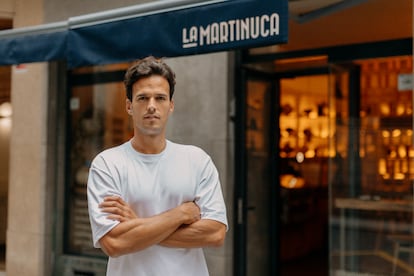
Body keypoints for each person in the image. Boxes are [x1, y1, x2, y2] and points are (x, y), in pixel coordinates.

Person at [87, 56, 228, 276]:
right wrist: (181, 214)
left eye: (160, 98)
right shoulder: (107, 164)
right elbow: (114, 242)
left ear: (170, 105)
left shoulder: (197, 160)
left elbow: (215, 234)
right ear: (129, 106)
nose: (152, 106)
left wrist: (137, 225)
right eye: (143, 98)